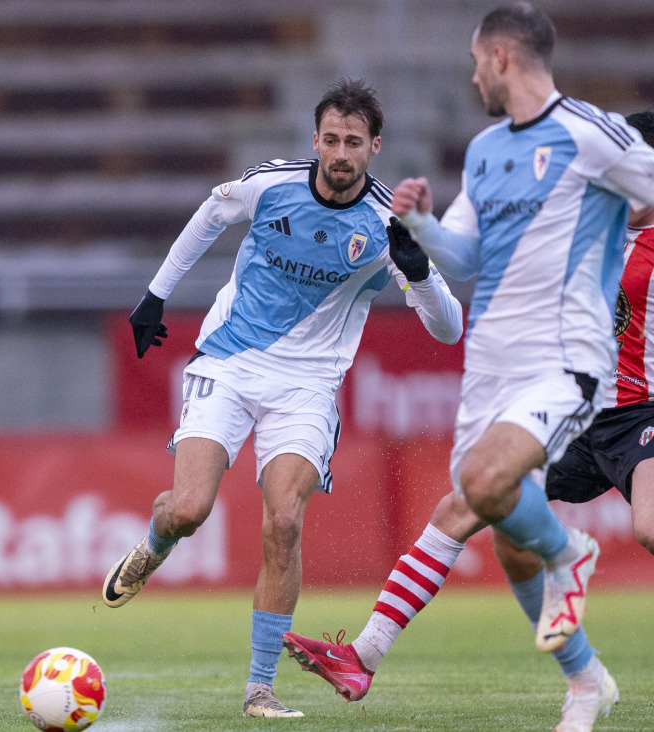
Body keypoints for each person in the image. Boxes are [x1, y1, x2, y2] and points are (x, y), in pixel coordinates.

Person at [283, 0, 654, 725]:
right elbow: (468, 256)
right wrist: (419, 236)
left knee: (497, 490)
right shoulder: (486, 153)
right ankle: (583, 682)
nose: (470, 76)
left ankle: (568, 557)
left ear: (501, 58)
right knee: (492, 520)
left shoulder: (593, 137)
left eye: (475, 61)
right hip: (498, 368)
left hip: (583, 372)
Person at [99, 78, 465, 718]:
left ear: (375, 147)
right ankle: (156, 543)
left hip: (308, 386)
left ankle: (259, 689)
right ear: (315, 140)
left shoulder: (386, 226)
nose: (340, 153)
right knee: (188, 509)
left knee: (285, 520)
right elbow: (209, 215)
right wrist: (156, 294)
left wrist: (415, 271)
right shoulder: (272, 185)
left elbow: (450, 328)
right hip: (232, 361)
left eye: (354, 141)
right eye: (330, 139)